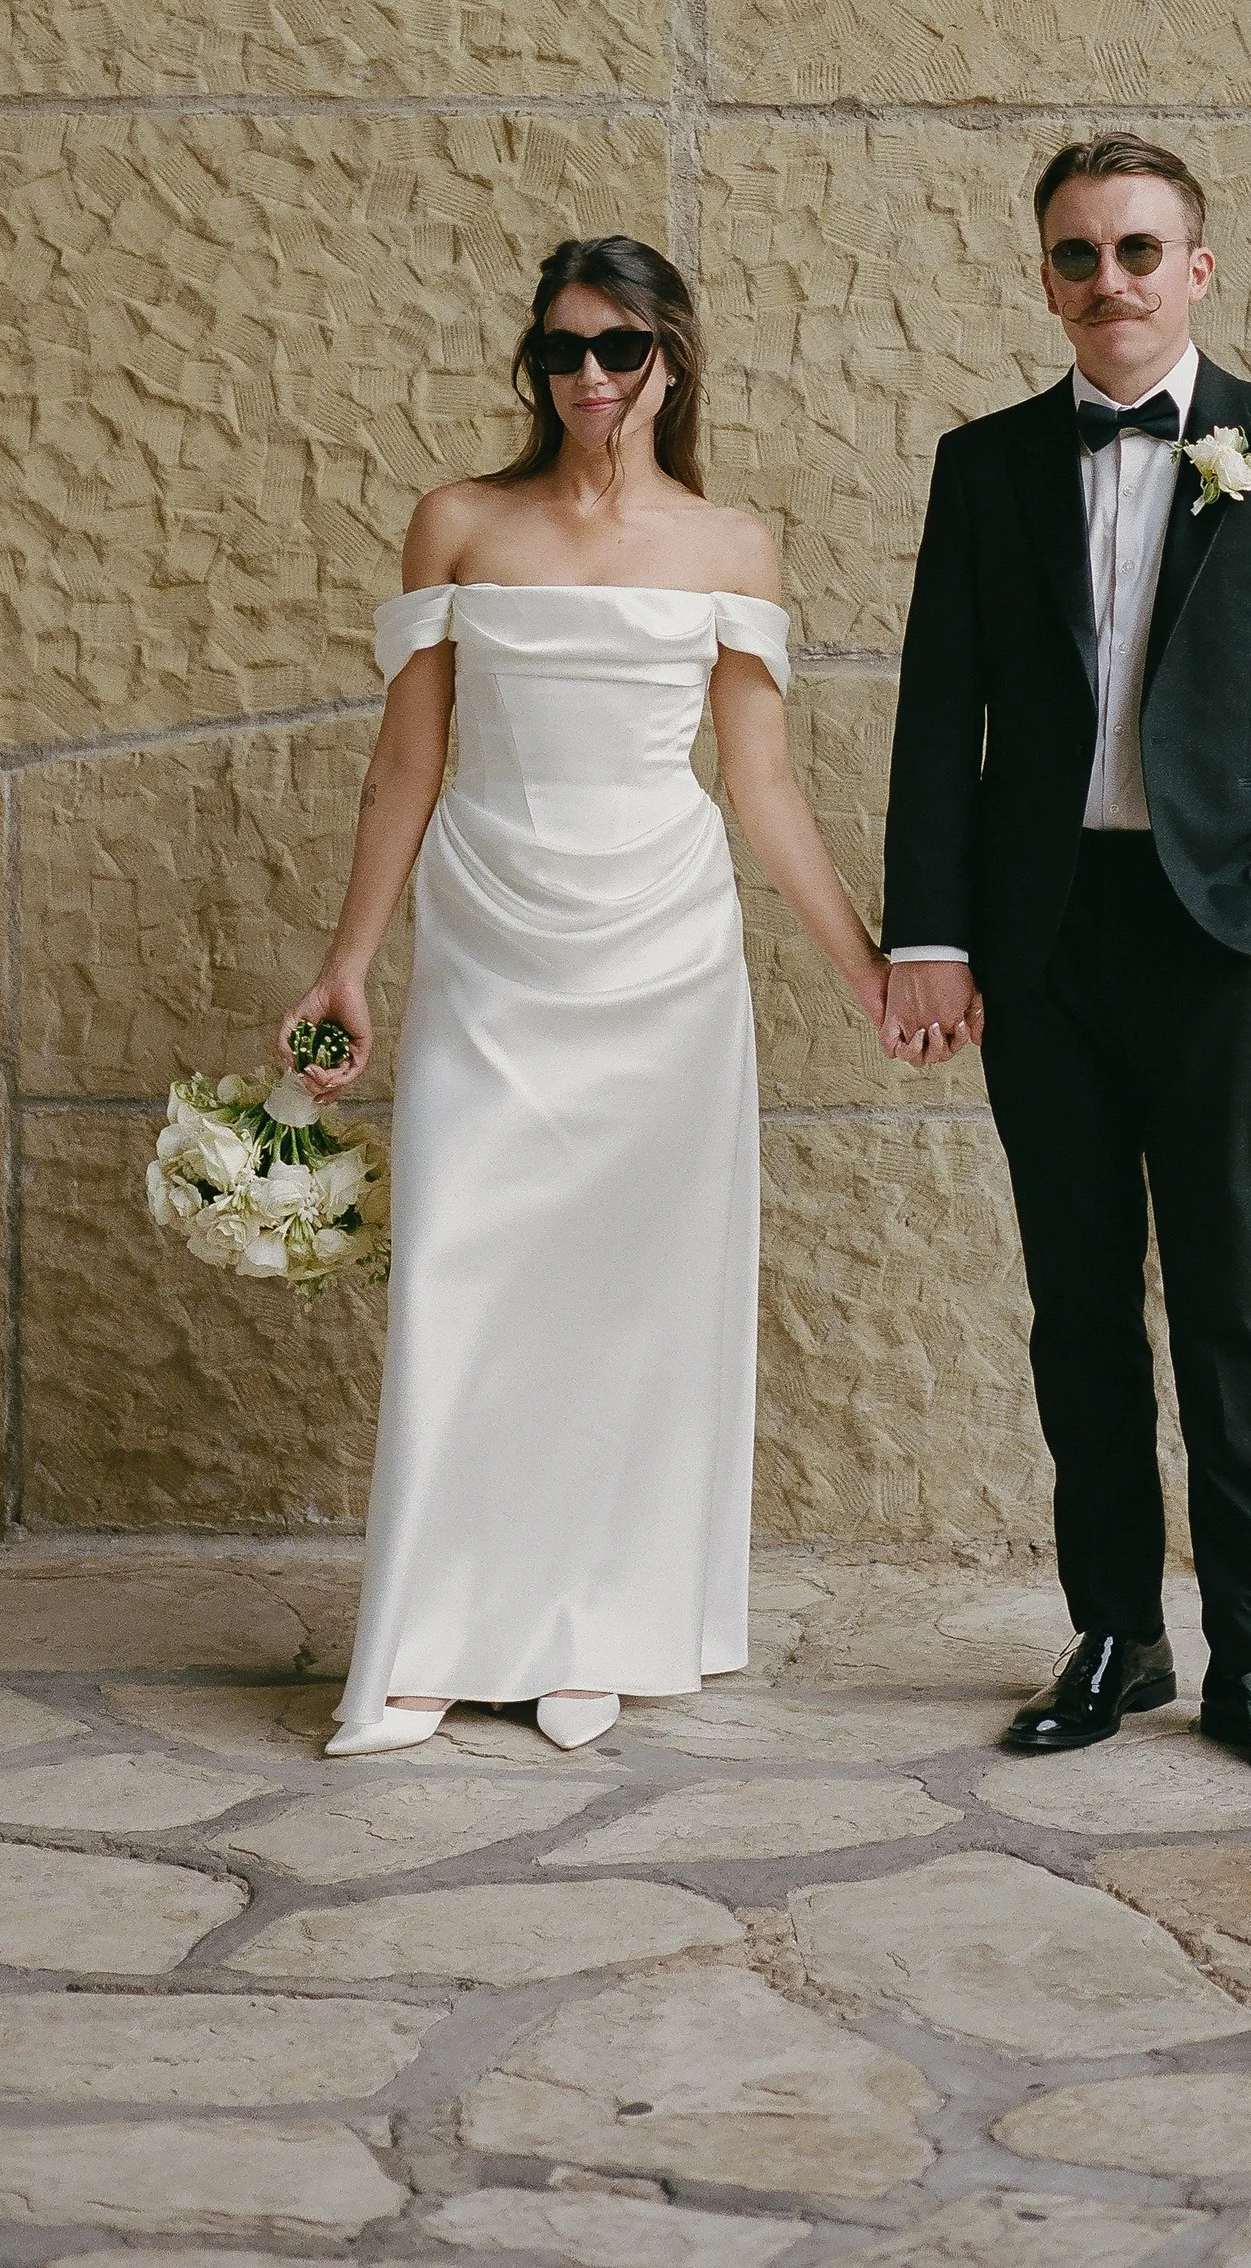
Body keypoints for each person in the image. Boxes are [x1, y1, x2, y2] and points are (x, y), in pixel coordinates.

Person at [287, 233, 953, 1756]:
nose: (590, 379)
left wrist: (861, 963)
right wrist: (347, 959)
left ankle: (595, 1619)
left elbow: (762, 782)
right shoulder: (458, 523)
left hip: (660, 947)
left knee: (621, 1298)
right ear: (536, 366)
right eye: (564, 352)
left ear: (671, 362)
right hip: (491, 939)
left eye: (620, 350)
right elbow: (409, 759)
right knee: (463, 1271)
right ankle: (429, 1634)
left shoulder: (732, 547)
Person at [880, 133, 1251, 1784]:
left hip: (1219, 938)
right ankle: (1115, 1629)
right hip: (1042, 945)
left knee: (1232, 1309)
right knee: (1078, 1306)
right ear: (1047, 276)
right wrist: (935, 938)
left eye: (1139, 251)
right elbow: (933, 723)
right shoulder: (985, 465)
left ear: (1199, 270)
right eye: (1078, 255)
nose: (1109, 281)